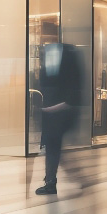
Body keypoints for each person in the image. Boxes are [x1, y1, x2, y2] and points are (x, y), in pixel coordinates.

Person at [35, 42, 83, 196]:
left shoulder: (69, 53)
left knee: (54, 146)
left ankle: (69, 177)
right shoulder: (47, 53)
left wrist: (68, 104)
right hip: (50, 109)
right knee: (53, 146)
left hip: (63, 109)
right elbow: (44, 83)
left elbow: (76, 81)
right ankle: (52, 181)